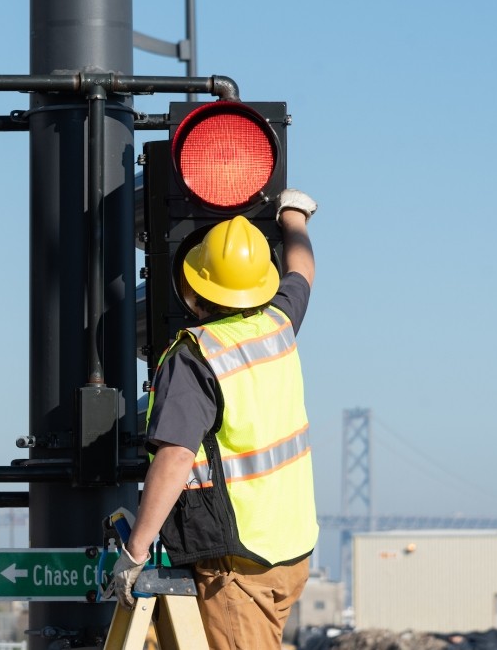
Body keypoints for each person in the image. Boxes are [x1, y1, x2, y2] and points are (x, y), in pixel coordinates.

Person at [110, 188, 320, 650]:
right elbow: (302, 270)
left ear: (193, 288)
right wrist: (294, 216)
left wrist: (135, 551)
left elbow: (176, 458)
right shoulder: (278, 323)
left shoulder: (195, 357)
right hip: (290, 549)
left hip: (237, 562)